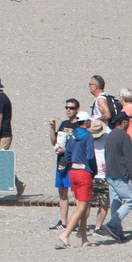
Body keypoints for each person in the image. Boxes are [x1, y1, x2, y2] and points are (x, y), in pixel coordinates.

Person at [58, 114, 99, 248]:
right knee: (82, 206)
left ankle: (84, 239)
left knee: (81, 207)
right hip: (84, 172)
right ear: (86, 122)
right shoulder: (87, 136)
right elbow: (90, 156)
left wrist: (72, 163)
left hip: (73, 172)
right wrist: (94, 170)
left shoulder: (73, 135)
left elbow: (68, 154)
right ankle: (66, 234)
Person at [100, 112, 132, 242]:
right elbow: (129, 159)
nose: (128, 123)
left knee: (115, 201)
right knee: (129, 201)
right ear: (123, 122)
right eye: (127, 121)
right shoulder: (124, 136)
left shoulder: (110, 135)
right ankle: (113, 223)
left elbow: (106, 154)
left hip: (110, 174)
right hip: (121, 174)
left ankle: (117, 231)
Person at [50, 97, 82, 232]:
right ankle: (63, 222)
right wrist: (52, 129)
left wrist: (67, 150)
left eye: (71, 108)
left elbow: (81, 146)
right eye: (67, 107)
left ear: (77, 109)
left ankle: (77, 222)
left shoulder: (80, 126)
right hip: (62, 161)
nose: (68, 110)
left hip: (73, 163)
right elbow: (54, 142)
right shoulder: (64, 124)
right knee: (62, 192)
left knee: (76, 194)